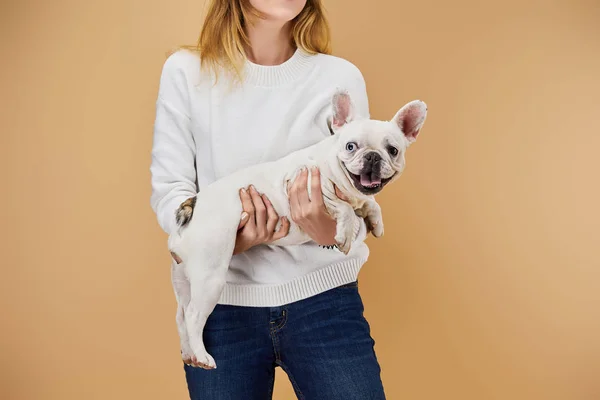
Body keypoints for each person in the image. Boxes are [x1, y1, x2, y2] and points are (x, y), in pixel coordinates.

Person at [149, 0, 386, 398]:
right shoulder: (186, 72)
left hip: (325, 300)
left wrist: (327, 229)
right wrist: (227, 241)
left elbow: (357, 196)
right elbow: (172, 195)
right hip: (221, 307)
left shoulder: (339, 78)